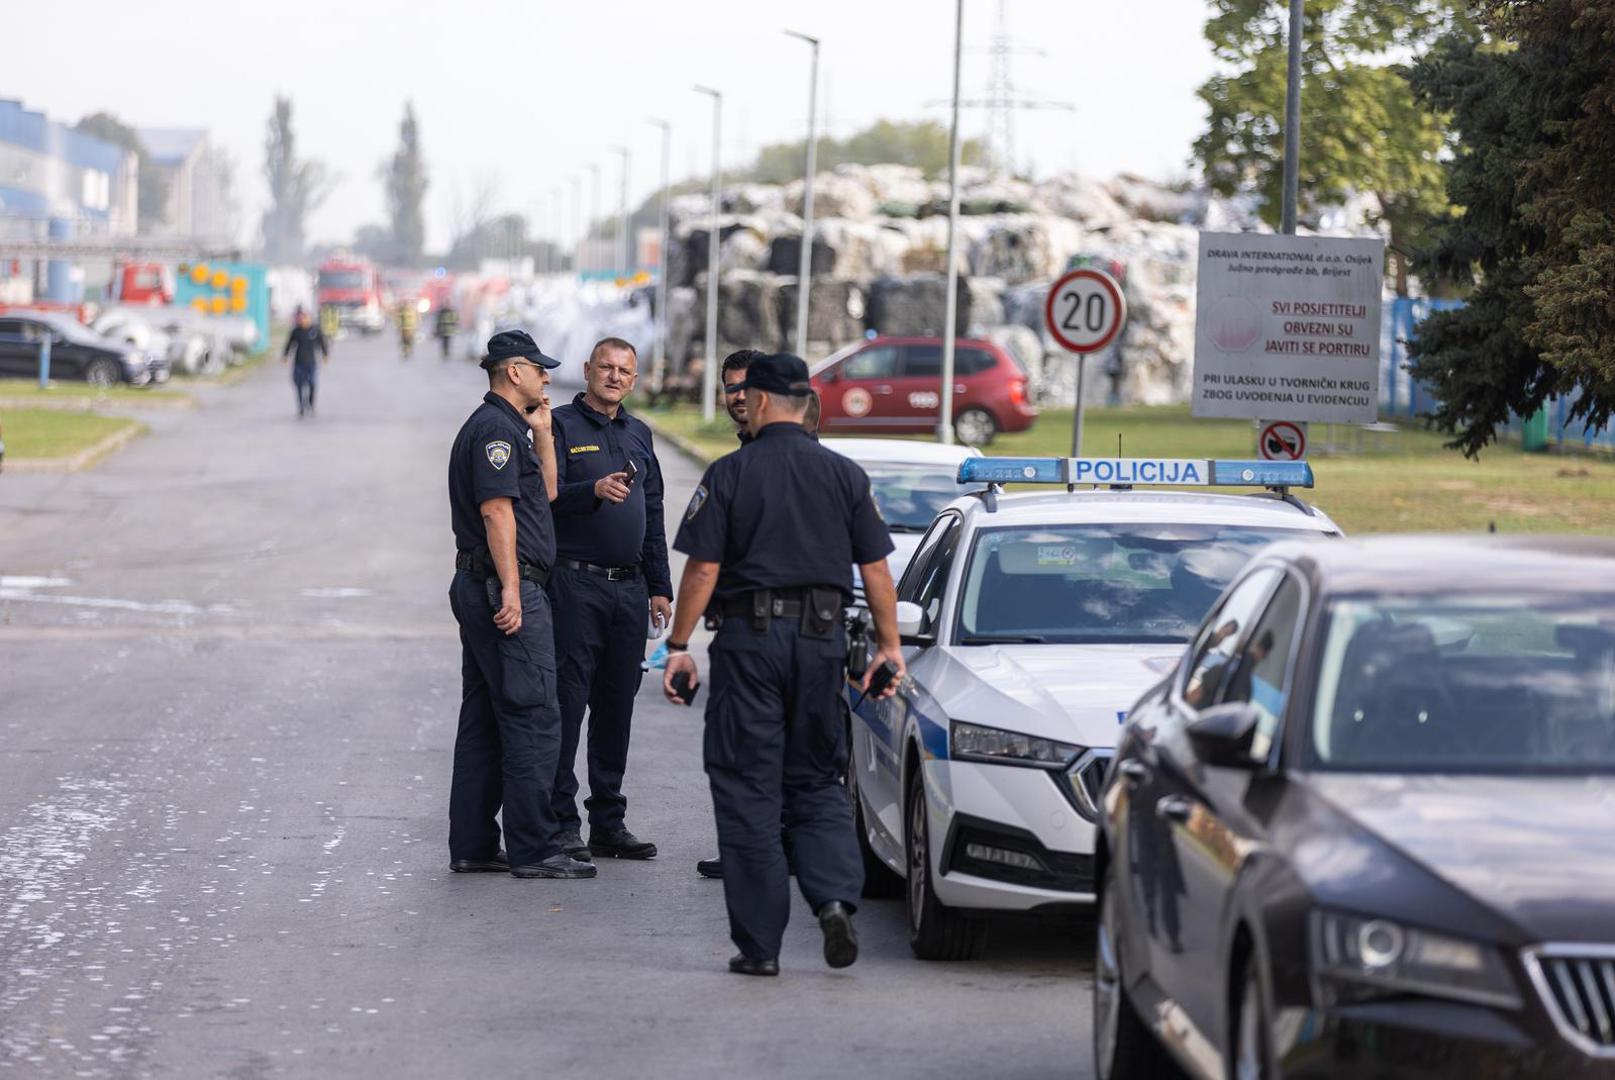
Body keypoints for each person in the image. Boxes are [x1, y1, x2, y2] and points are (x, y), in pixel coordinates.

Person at [662, 352, 906, 977]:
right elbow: (877, 570)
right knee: (818, 782)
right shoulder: (845, 476)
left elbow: (705, 568)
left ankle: (761, 946)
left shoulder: (731, 474)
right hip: (823, 647)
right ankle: (830, 898)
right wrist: (890, 647)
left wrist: (680, 645)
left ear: (763, 403)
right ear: (806, 404)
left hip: (751, 645)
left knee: (748, 789)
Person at [447, 329, 596, 881]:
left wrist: (546, 436)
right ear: (515, 372)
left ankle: (475, 844)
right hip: (506, 588)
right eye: (539, 369)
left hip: (491, 584)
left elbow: (548, 496)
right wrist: (512, 589)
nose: (547, 377)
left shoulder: (514, 429)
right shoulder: (493, 431)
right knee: (534, 714)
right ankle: (535, 848)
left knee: (486, 717)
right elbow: (496, 513)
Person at [546, 337, 672, 863]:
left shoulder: (638, 433)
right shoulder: (557, 427)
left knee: (617, 709)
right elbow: (542, 500)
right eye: (606, 367)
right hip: (576, 586)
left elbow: (655, 513)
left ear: (634, 379)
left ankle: (608, 824)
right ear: (587, 370)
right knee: (569, 706)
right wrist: (590, 492)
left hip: (630, 590)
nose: (615, 377)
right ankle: (560, 825)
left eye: (625, 370)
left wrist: (660, 586)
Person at [695, 347, 765, 879]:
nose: (736, 396)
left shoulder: (747, 465)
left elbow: (702, 562)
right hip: (751, 625)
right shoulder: (736, 458)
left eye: (745, 386)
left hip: (760, 635)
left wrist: (676, 646)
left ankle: (754, 850)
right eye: (729, 387)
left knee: (744, 751)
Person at [281, 307, 328, 418]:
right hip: (299, 362)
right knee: (299, 385)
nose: (303, 320)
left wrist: (325, 355)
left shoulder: (315, 330)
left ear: (309, 318)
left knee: (312, 383)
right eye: (301, 318)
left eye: (305, 318)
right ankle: (301, 407)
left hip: (311, 363)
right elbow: (289, 344)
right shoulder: (296, 331)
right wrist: (285, 356)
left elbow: (322, 343)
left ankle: (310, 404)